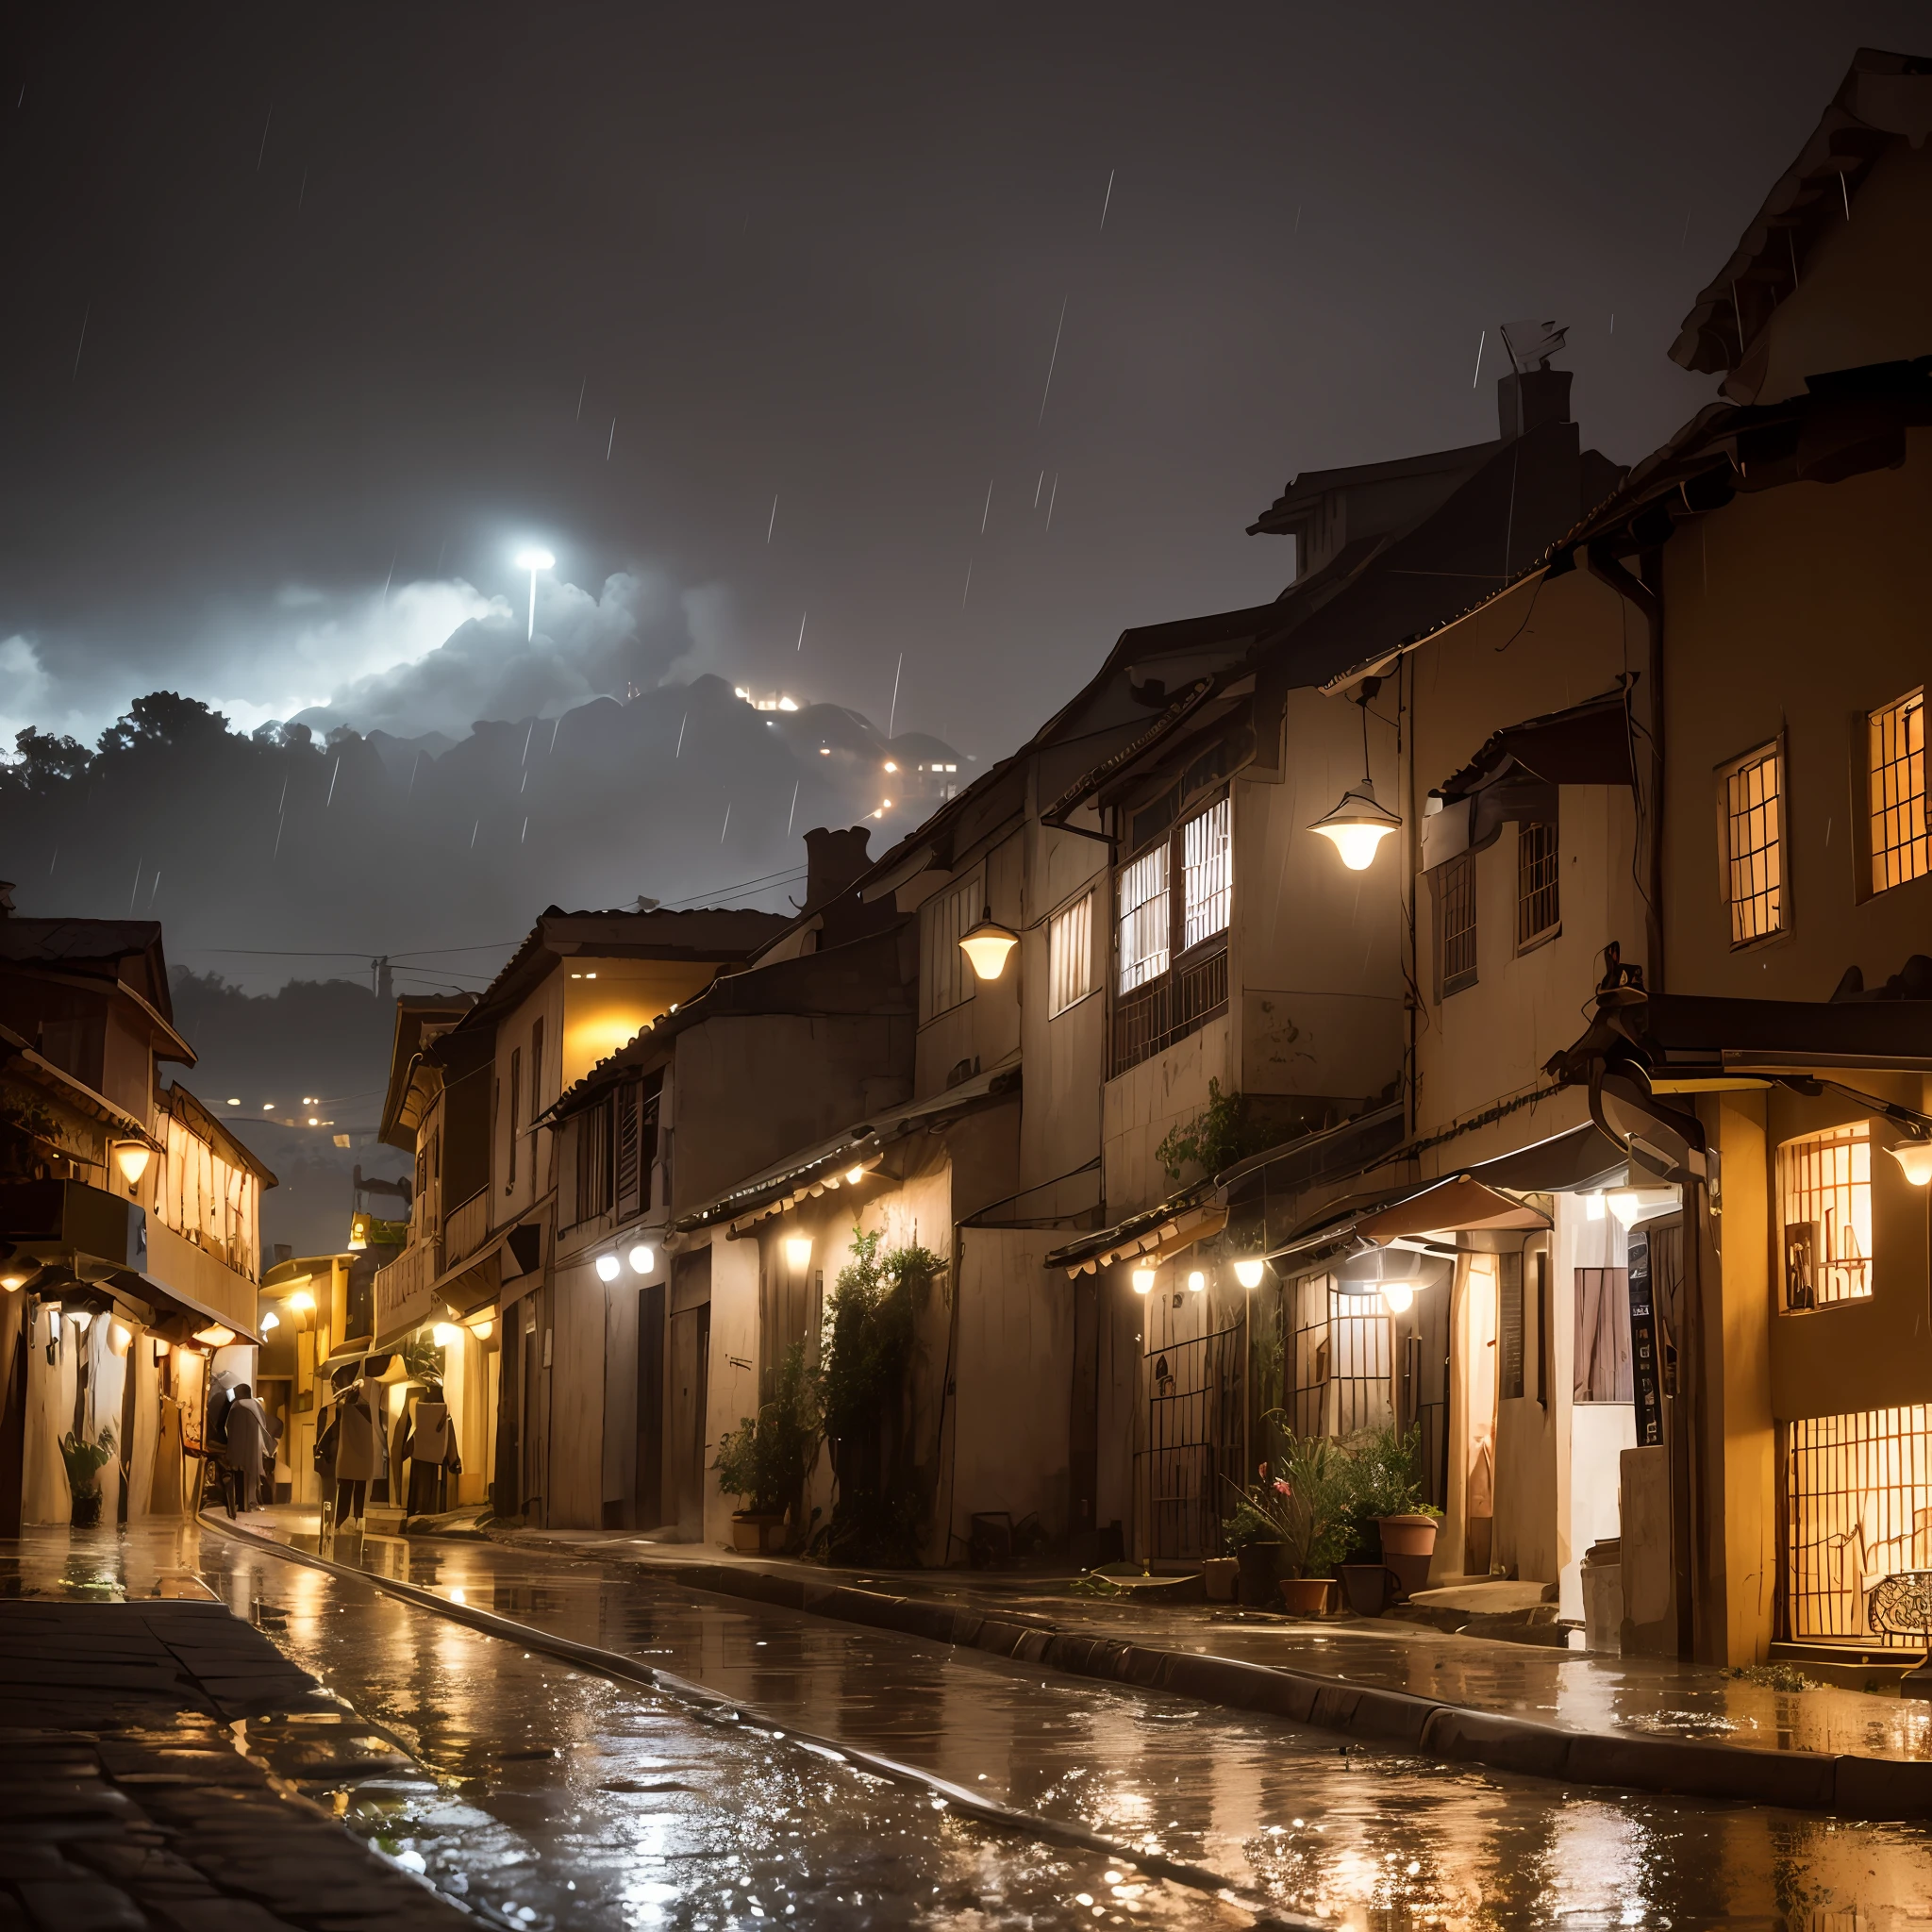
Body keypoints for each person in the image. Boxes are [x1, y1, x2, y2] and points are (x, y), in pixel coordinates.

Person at [224, 1384, 273, 1511]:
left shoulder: (237, 1406)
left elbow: (230, 1427)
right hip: (253, 1447)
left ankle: (241, 1504)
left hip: (237, 1446)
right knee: (251, 1475)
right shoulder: (255, 1406)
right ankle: (251, 1502)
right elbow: (263, 1425)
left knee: (239, 1475)